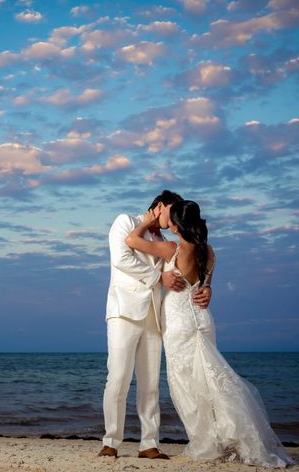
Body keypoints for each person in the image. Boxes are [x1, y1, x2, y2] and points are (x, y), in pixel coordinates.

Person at [125, 200, 294, 467]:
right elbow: (205, 286)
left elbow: (131, 240)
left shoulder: (172, 249)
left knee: (187, 385)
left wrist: (146, 221)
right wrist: (209, 291)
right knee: (211, 379)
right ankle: (229, 436)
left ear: (178, 225)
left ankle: (208, 442)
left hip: (180, 321)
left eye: (170, 219)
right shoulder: (209, 251)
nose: (165, 221)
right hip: (203, 319)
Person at [99, 190, 211, 459]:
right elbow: (121, 260)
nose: (172, 218)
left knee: (150, 383)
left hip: (155, 314)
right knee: (118, 378)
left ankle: (149, 443)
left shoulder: (165, 239)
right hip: (124, 311)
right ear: (158, 206)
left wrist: (206, 289)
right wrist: (158, 277)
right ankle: (111, 442)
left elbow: (189, 268)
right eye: (170, 211)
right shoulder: (125, 221)